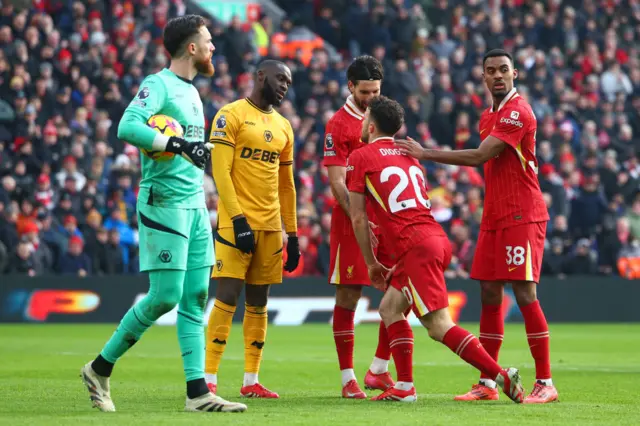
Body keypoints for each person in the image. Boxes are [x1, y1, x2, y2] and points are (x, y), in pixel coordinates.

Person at [80, 15, 247, 413]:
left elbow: (186, 147)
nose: (213, 48)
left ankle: (198, 395)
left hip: (193, 205)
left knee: (194, 298)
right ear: (191, 47)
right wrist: (177, 144)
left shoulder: (191, 92)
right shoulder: (158, 85)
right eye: (207, 41)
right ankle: (99, 368)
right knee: (165, 296)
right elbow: (127, 126)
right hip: (163, 203)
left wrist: (198, 149)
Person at [395, 49, 558, 404]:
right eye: (490, 71)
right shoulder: (489, 115)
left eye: (503, 70)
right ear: (483, 77)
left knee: (525, 293)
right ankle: (487, 381)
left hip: (522, 214)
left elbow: (481, 155)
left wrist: (426, 154)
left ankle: (545, 381)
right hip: (494, 217)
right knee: (488, 294)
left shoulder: (518, 112)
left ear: (515, 73)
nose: (497, 76)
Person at [346, 95, 524, 403]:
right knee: (390, 308)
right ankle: (403, 386)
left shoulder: (361, 157)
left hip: (415, 246)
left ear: (371, 125)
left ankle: (500, 376)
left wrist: (372, 262)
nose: (362, 124)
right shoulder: (409, 156)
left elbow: (359, 217)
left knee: (438, 325)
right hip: (434, 240)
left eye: (364, 120)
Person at [205, 59, 300, 398]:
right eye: (280, 78)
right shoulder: (230, 115)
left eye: (288, 82)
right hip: (236, 224)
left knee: (259, 302)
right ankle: (209, 376)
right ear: (260, 76)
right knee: (228, 296)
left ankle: (250, 380)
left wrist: (294, 233)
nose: (285, 86)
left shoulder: (285, 127)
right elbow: (221, 174)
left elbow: (287, 185)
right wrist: (238, 220)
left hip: (272, 227)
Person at [322, 55, 396, 399]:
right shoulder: (338, 124)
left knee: (400, 290)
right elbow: (337, 182)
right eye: (365, 91)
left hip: (387, 220)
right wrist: (359, 215)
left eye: (376, 91)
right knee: (349, 296)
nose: (371, 97)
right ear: (350, 87)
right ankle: (348, 378)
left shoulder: (382, 114)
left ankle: (379, 369)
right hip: (353, 220)